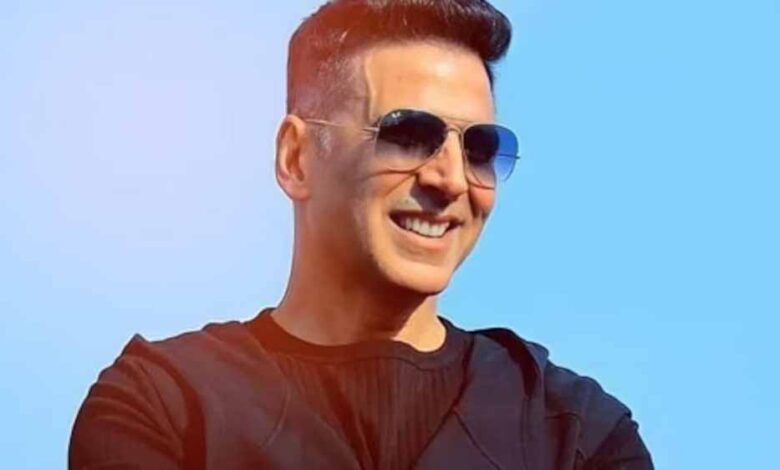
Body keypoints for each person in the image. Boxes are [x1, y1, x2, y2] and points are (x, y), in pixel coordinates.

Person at [69, 1, 654, 469]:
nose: (452, 179)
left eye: (480, 148)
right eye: (408, 135)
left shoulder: (577, 433)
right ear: (297, 158)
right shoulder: (165, 406)